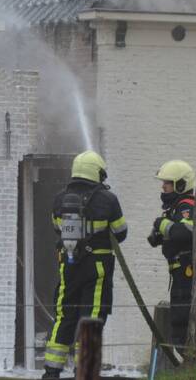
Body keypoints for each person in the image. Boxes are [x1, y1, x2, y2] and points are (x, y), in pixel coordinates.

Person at [42, 150, 128, 379]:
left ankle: (51, 371)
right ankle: (85, 370)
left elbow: (56, 228)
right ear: (97, 172)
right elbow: (121, 233)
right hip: (97, 267)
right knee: (91, 316)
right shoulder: (108, 199)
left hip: (68, 266)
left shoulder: (60, 198)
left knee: (63, 315)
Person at [146, 159, 196, 352]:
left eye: (167, 183)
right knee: (178, 317)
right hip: (179, 272)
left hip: (186, 273)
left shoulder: (187, 206)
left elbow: (183, 233)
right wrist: (160, 233)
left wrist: (162, 225)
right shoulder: (174, 208)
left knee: (181, 319)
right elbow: (168, 235)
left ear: (180, 185)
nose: (163, 187)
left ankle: (187, 358)